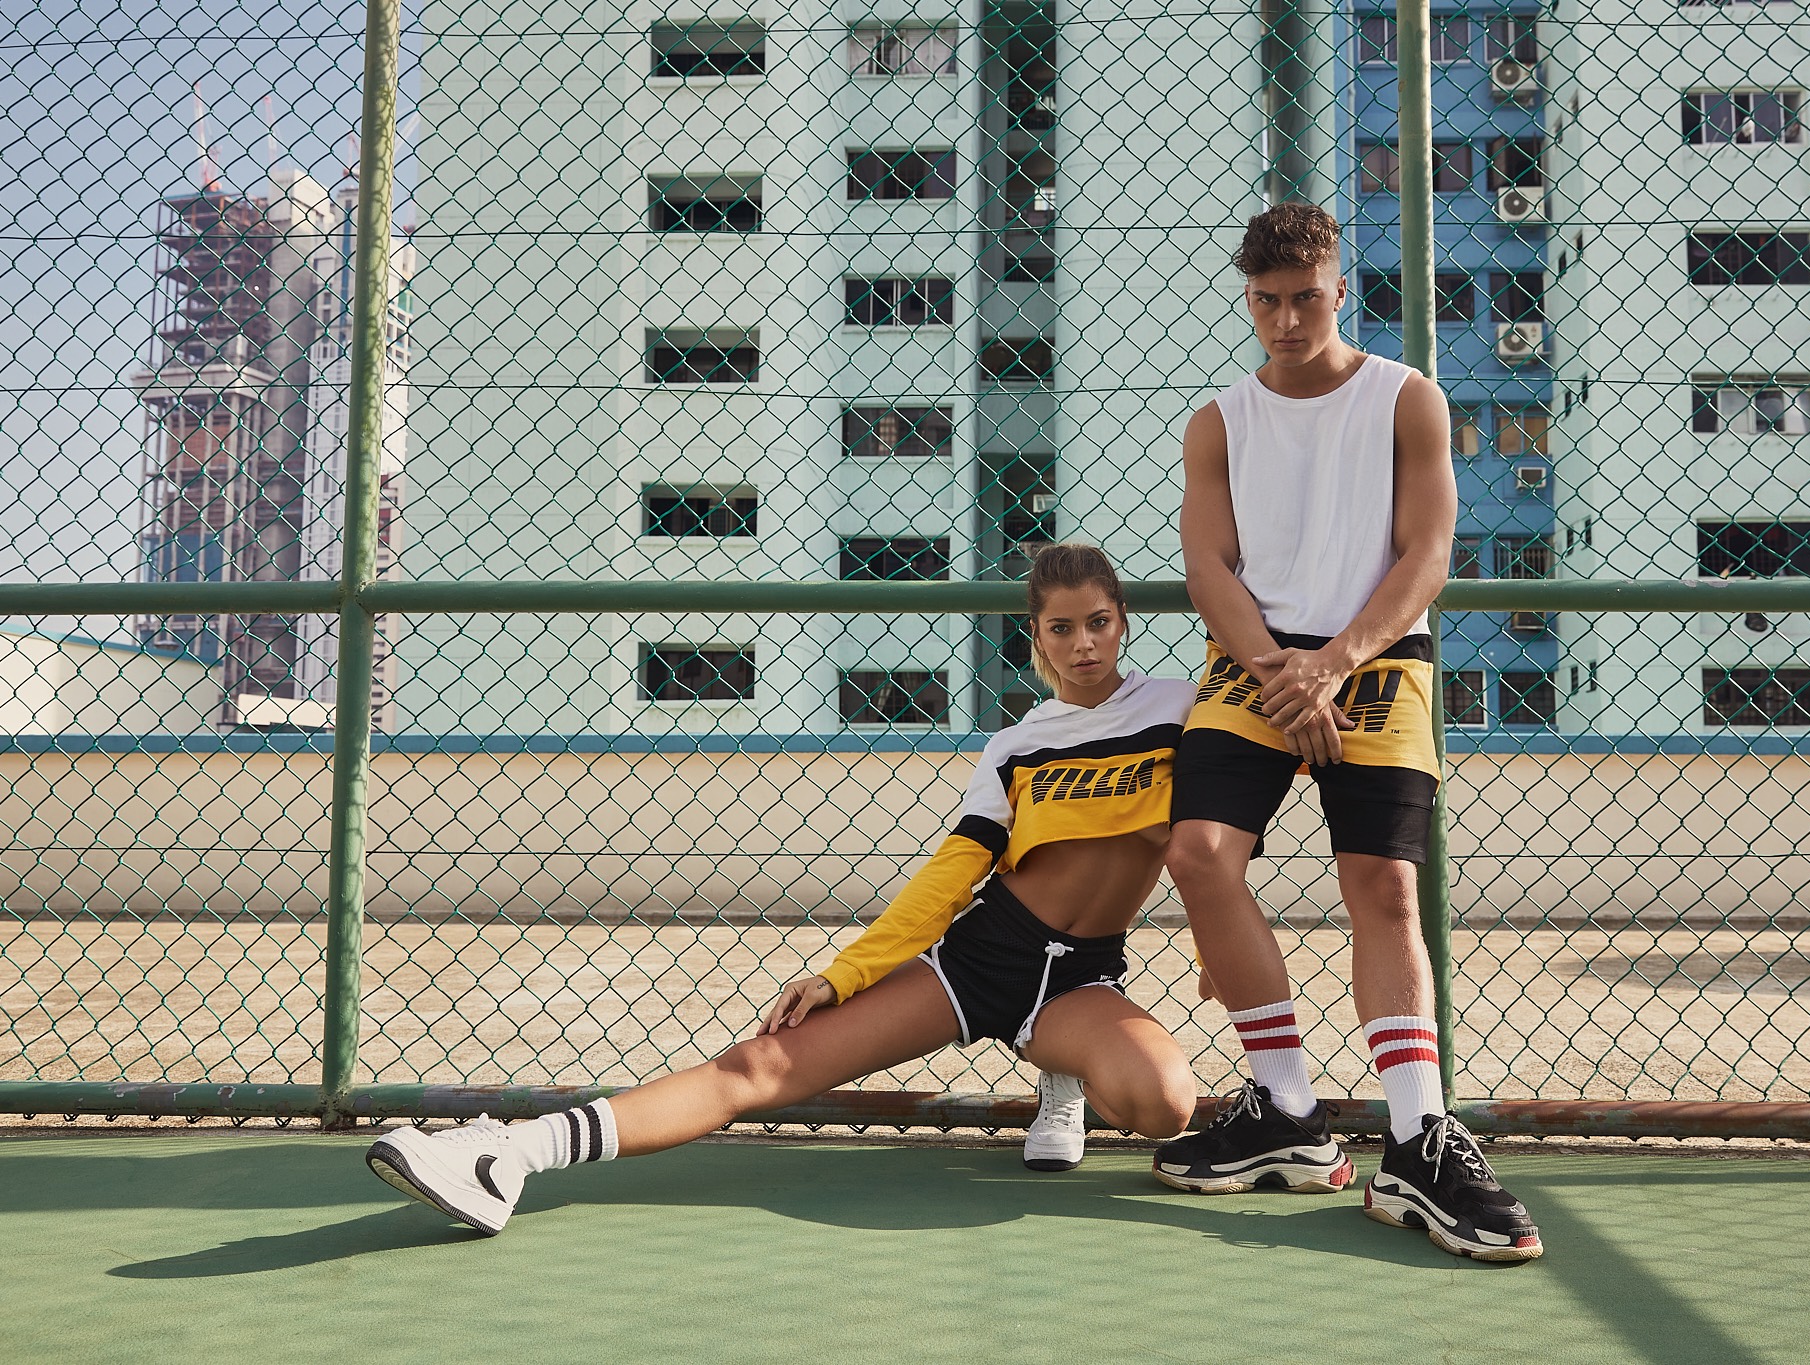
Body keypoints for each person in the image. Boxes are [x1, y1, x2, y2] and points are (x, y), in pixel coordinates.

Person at [366, 544, 1200, 1235]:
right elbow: (951, 875)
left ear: (1123, 619)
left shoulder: (1177, 710)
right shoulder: (1016, 745)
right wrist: (846, 973)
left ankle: (1058, 1069)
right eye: (1063, 627)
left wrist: (1218, 947)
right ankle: (509, 1153)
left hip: (1079, 980)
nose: (1084, 643)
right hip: (979, 960)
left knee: (1164, 1104)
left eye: (1098, 621)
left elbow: (1214, 838)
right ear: (1036, 635)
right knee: (760, 1064)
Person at [1150, 204, 1543, 1262]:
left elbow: (1427, 553)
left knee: (1384, 885)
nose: (1285, 321)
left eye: (1304, 299)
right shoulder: (1219, 422)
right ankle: (1285, 1108)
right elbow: (1207, 568)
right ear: (1248, 300)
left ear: (1338, 291)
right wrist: (1281, 672)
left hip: (1373, 657)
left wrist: (1332, 662)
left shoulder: (1405, 397)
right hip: (1255, 664)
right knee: (1197, 853)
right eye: (1266, 302)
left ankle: (1417, 1138)